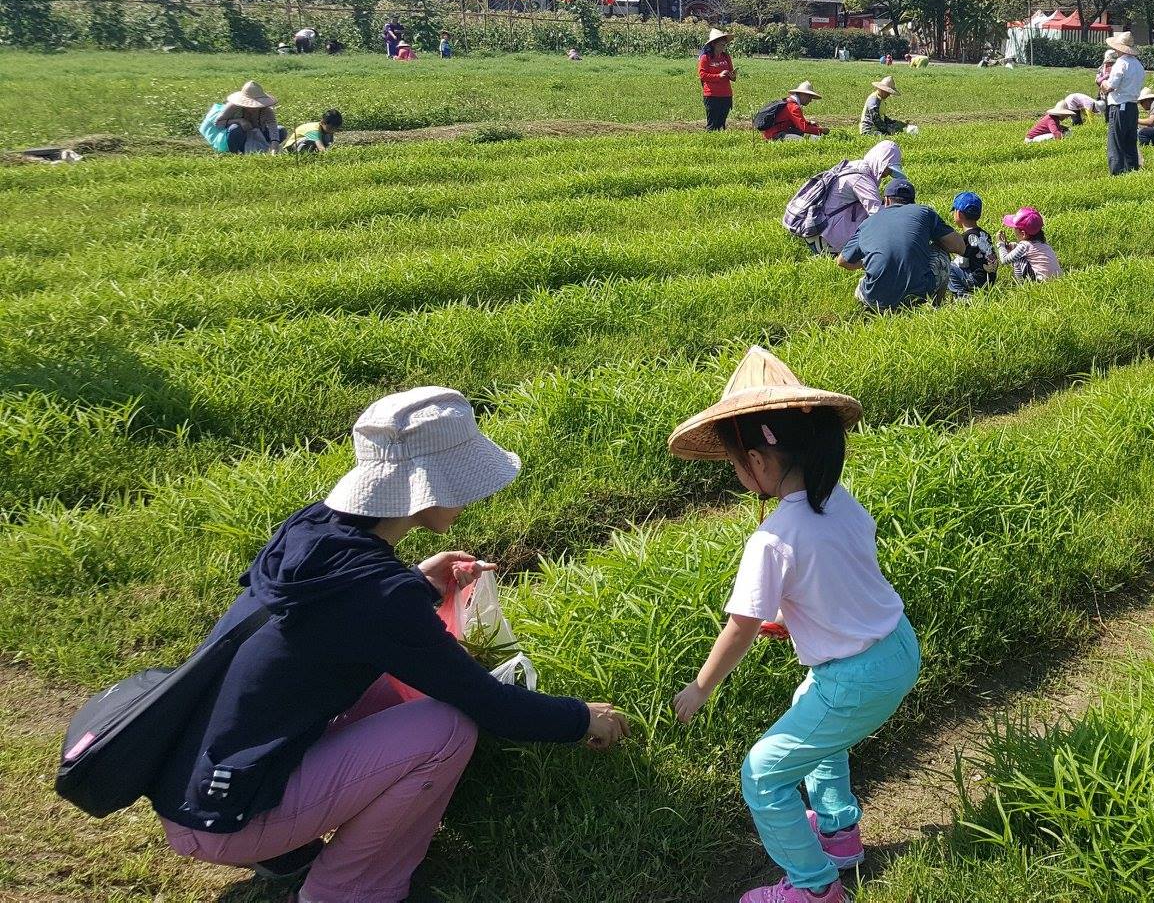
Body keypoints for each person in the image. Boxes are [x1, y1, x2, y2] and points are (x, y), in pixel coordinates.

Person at [150, 388, 629, 903]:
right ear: (426, 485)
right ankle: (351, 890)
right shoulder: (379, 596)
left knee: (393, 681)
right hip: (226, 816)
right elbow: (490, 705)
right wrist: (581, 718)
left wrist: (420, 585)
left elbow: (346, 619)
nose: (471, 496)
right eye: (462, 479)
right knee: (445, 727)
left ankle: (285, 844)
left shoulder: (312, 529)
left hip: (197, 779)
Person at [666, 349, 919, 903]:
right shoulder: (841, 504)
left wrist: (700, 688)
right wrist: (792, 614)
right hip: (898, 646)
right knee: (820, 728)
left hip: (855, 676)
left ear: (758, 461)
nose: (737, 474)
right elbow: (842, 576)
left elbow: (740, 626)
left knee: (762, 775)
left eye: (736, 463)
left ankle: (813, 890)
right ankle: (838, 832)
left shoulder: (773, 537)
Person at [834, 177, 962, 312]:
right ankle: (936, 308)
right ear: (913, 200)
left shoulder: (868, 222)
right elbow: (958, 246)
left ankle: (868, 313)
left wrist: (866, 263)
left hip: (875, 300)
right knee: (942, 253)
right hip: (918, 296)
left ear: (887, 200)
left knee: (862, 284)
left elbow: (842, 261)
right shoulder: (924, 212)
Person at [814, 140, 905, 256]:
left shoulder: (854, 166)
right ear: (880, 162)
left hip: (820, 229)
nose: (888, 173)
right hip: (827, 239)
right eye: (888, 168)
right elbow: (878, 214)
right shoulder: (861, 179)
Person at [201, 81, 287, 155]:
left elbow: (273, 128)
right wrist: (240, 121)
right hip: (239, 135)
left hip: (258, 134)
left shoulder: (266, 110)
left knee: (281, 130)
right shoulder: (233, 107)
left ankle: (262, 148)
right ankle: (235, 153)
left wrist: (274, 146)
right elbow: (218, 123)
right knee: (235, 128)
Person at [1101, 32, 1145, 175]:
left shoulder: (1121, 63)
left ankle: (1116, 172)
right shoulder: (1138, 65)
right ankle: (1132, 170)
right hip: (1133, 106)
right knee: (1130, 141)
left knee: (1116, 141)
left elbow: (1112, 85)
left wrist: (1103, 83)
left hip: (1119, 106)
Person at [946, 192, 999, 297]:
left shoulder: (965, 238)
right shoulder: (984, 234)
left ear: (959, 214)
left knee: (948, 267)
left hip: (976, 281)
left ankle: (961, 294)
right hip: (990, 280)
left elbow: (962, 263)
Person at [997, 207, 1062, 281]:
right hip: (1057, 278)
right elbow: (1031, 250)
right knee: (1019, 254)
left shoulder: (1024, 246)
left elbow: (1004, 260)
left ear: (1023, 234)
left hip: (1041, 281)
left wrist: (1000, 244)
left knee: (1017, 258)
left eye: (1015, 228)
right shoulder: (1044, 244)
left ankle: (1021, 283)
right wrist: (1014, 246)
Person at [763, 83, 829, 141]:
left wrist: (810, 123)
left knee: (813, 138)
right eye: (809, 97)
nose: (810, 100)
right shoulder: (794, 107)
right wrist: (821, 130)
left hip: (778, 131)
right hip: (775, 134)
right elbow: (804, 128)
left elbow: (798, 123)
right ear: (803, 94)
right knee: (804, 141)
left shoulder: (788, 102)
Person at [700, 29, 737, 130]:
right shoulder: (705, 58)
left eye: (724, 45)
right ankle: (709, 143)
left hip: (726, 94)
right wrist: (719, 76)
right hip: (712, 95)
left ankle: (720, 144)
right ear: (713, 44)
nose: (723, 47)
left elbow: (732, 75)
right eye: (721, 45)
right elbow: (702, 75)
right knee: (712, 125)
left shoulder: (726, 57)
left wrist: (732, 76)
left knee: (721, 124)